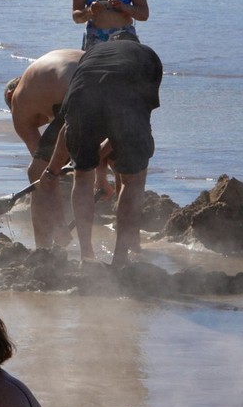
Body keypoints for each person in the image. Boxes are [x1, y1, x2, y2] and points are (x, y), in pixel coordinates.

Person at [33, 38, 163, 265]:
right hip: (126, 96)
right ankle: (120, 259)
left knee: (82, 176)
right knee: (133, 181)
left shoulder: (91, 56)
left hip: (82, 95)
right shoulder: (148, 57)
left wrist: (51, 171)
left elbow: (68, 128)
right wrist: (101, 165)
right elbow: (127, 125)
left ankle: (87, 256)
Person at [3, 49, 83, 250]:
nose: (40, 122)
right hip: (110, 78)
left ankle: (42, 250)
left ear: (10, 94)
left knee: (36, 173)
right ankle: (128, 246)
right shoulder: (40, 81)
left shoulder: (18, 101)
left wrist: (60, 223)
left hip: (76, 88)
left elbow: (45, 175)